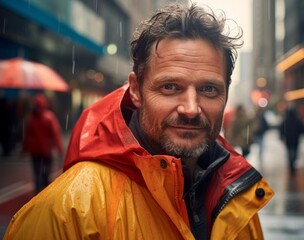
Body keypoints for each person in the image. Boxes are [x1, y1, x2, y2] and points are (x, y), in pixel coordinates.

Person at [5, 3, 274, 239]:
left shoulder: (239, 201)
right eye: (170, 87)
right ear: (135, 90)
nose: (191, 108)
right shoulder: (66, 212)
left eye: (208, 89)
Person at [22, 94, 64, 193]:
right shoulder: (49, 117)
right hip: (46, 149)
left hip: (35, 150)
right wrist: (59, 148)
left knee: (37, 172)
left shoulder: (31, 118)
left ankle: (37, 190)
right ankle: (45, 191)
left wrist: (25, 148)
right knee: (46, 171)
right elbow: (55, 133)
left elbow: (27, 135)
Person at [279, 107, 304, 176]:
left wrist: (282, 136)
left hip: (289, 139)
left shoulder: (285, 120)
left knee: (289, 152)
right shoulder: (297, 120)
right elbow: (302, 129)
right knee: (294, 152)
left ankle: (291, 164)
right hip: (295, 139)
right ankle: (292, 163)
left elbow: (281, 129)